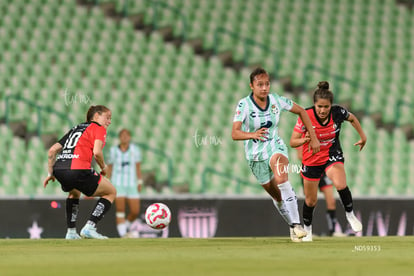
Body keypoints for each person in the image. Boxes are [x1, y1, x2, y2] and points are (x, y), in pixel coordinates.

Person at [232, 67, 320, 242]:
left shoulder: (276, 100)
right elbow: (235, 133)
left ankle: (297, 224)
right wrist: (252, 134)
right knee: (276, 196)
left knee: (282, 179)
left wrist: (314, 136)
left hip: (275, 146)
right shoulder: (244, 105)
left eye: (267, 84)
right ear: (252, 86)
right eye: (260, 84)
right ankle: (292, 225)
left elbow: (302, 111)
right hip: (255, 156)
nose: (264, 88)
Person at [290, 81, 366, 242]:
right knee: (311, 200)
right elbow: (293, 142)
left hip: (332, 154)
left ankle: (350, 215)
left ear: (331, 105)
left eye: (326, 107)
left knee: (340, 184)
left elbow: (352, 119)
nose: (323, 110)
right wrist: (306, 139)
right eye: (319, 107)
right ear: (314, 105)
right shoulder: (305, 115)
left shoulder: (338, 112)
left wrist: (363, 136)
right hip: (312, 159)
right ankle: (308, 230)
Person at [43, 105, 116, 239]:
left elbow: (52, 150)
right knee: (110, 192)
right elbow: (97, 153)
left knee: (74, 192)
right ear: (96, 116)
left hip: (59, 169)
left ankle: (71, 232)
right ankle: (90, 227)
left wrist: (50, 174)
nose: (109, 121)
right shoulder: (98, 128)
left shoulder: (76, 128)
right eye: (107, 117)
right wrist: (104, 168)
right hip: (78, 168)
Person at [296, 146, 346, 237]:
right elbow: (300, 156)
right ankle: (307, 230)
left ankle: (333, 231)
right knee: (310, 202)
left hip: (323, 171)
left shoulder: (322, 134)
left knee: (331, 201)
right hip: (310, 170)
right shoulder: (302, 136)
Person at [107, 128, 143, 238]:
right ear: (119, 137)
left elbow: (137, 167)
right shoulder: (113, 150)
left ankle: (126, 227)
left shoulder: (135, 150)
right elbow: (110, 167)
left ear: (130, 137)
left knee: (135, 211)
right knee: (120, 209)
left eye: (126, 135)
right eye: (122, 135)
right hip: (118, 182)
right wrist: (108, 181)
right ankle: (123, 234)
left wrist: (139, 181)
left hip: (132, 183)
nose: (124, 137)